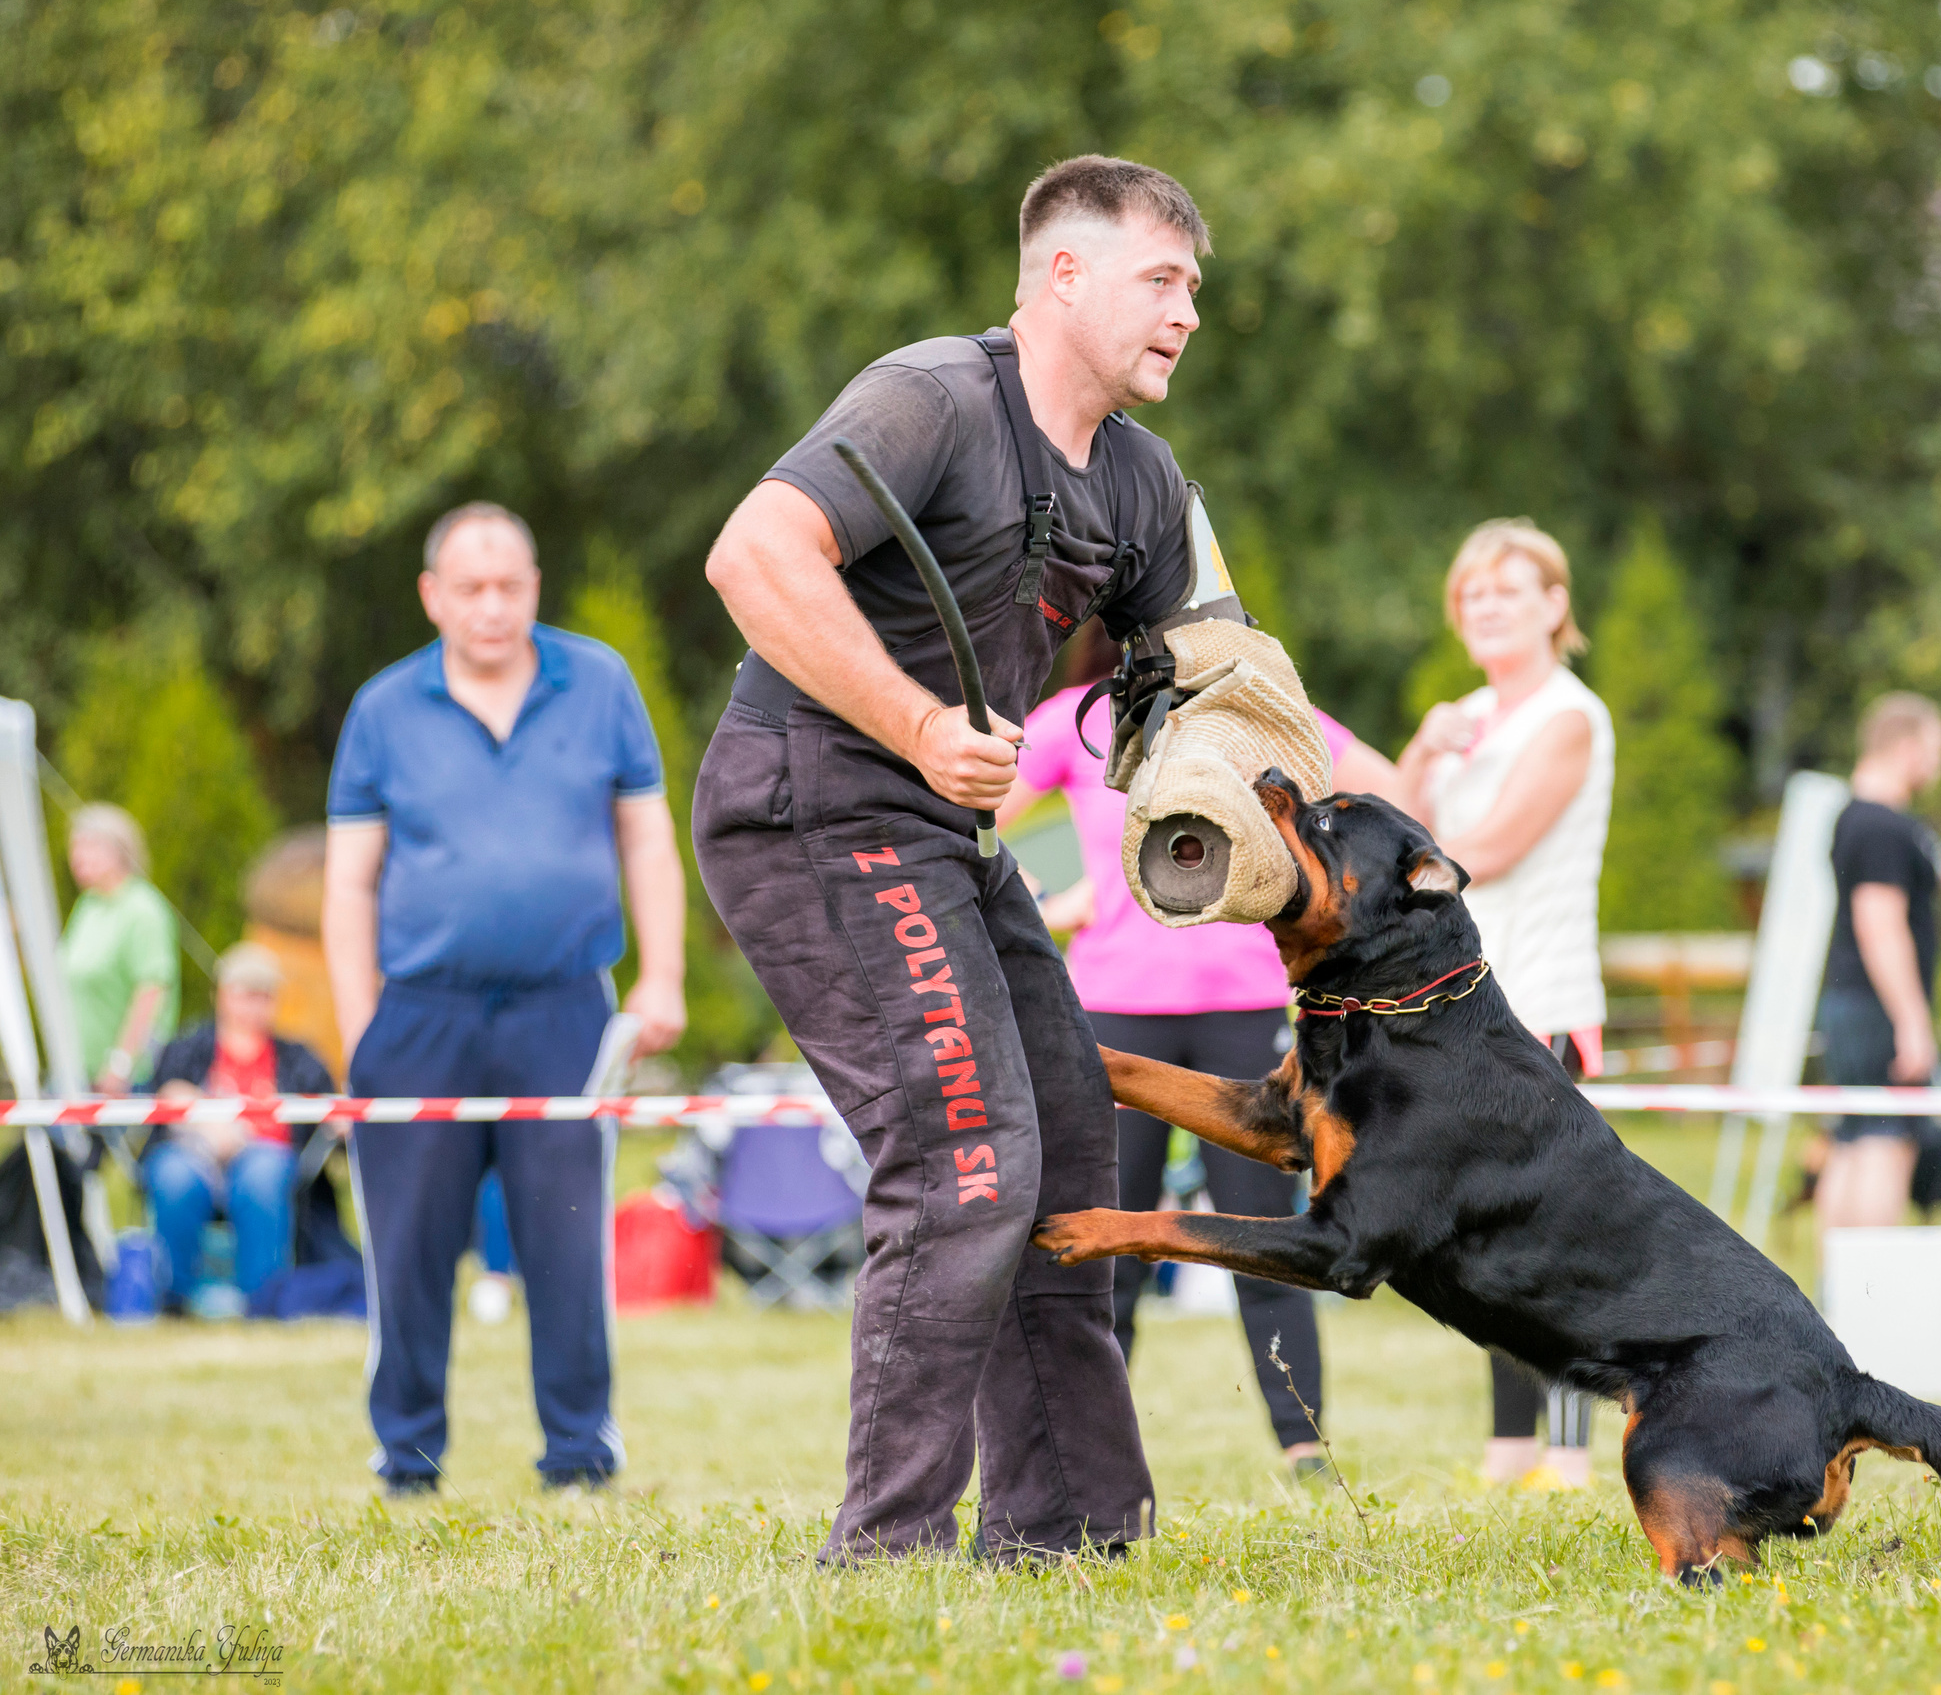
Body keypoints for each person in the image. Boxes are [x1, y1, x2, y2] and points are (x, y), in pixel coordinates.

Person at [695, 156, 1249, 1564]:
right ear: (1063, 275)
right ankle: (882, 1552)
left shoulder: (1139, 474)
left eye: (1196, 287)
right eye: (1161, 280)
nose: (1189, 311)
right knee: (964, 1162)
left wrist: (1222, 770)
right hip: (811, 798)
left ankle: (1066, 1535)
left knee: (1071, 1158)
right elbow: (755, 557)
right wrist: (923, 723)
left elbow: (1214, 672)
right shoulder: (932, 397)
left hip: (944, 829)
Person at [323, 501, 687, 1496]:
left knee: (568, 1239)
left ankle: (578, 1454)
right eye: (470, 587)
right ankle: (406, 1458)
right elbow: (350, 879)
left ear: (533, 586)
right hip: (418, 1016)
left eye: (510, 585)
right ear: (432, 596)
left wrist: (662, 978)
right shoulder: (382, 709)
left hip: (563, 1009)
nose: (492, 606)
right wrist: (363, 1028)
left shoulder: (601, 682)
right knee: (406, 1247)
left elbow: (647, 839)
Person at [1000, 630, 1403, 1481]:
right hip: (1115, 1007)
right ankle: (1087, 1450)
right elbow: (969, 810)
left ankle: (1305, 1447)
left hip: (1246, 1001)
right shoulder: (1080, 721)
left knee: (1268, 1240)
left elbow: (1390, 796)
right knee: (1104, 1245)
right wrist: (1037, 903)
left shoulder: (1262, 722)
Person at [1396, 518, 1614, 1490]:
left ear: (1553, 607)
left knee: (1551, 1229)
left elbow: (1485, 850)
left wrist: (1406, 857)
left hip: (1544, 997)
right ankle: (1509, 1446)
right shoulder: (1463, 717)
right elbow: (1400, 829)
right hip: (1473, 1003)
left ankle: (1568, 1448)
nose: (1485, 606)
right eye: (1472, 593)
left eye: (1507, 590)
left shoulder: (1567, 716)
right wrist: (1417, 749)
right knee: (1483, 1228)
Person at [1815, 692, 1941, 1231]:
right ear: (1906, 746)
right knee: (1886, 1143)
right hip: (1878, 1008)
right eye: (1935, 750)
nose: (1939, 765)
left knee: (1851, 1141)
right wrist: (1912, 1022)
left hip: (1852, 1002)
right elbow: (1881, 927)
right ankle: (1869, 1293)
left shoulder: (1856, 818)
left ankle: (1837, 1297)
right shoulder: (1882, 828)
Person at [143, 942, 337, 1317]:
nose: (254, 1005)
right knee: (172, 1176)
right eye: (246, 994)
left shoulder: (298, 1057)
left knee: (263, 1177)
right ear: (222, 996)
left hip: (265, 1153)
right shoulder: (188, 1047)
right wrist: (209, 1123)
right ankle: (172, 1301)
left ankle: (264, 1301)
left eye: (265, 995)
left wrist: (339, 1118)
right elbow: (161, 1096)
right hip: (195, 1153)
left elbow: (330, 1106)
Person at [60, 804, 179, 1096]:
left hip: (124, 1077)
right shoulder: (89, 905)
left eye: (89, 846)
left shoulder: (143, 909)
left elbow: (152, 991)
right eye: (75, 847)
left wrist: (121, 1064)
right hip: (78, 1067)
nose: (78, 856)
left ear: (120, 851)